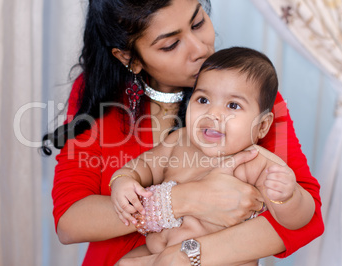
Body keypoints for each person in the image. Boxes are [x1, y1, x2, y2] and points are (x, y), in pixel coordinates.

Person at [43, 0, 324, 265]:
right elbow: (70, 221)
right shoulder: (99, 96)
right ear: (130, 58)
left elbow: (306, 217)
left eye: (199, 22)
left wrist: (183, 257)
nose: (199, 49)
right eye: (171, 44)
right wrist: (187, 199)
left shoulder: (247, 96)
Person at [110, 47, 315, 265]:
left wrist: (287, 196)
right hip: (156, 254)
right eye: (203, 100)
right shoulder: (178, 141)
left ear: (262, 126)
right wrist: (123, 180)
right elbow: (144, 166)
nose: (213, 113)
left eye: (233, 105)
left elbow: (300, 219)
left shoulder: (254, 161)